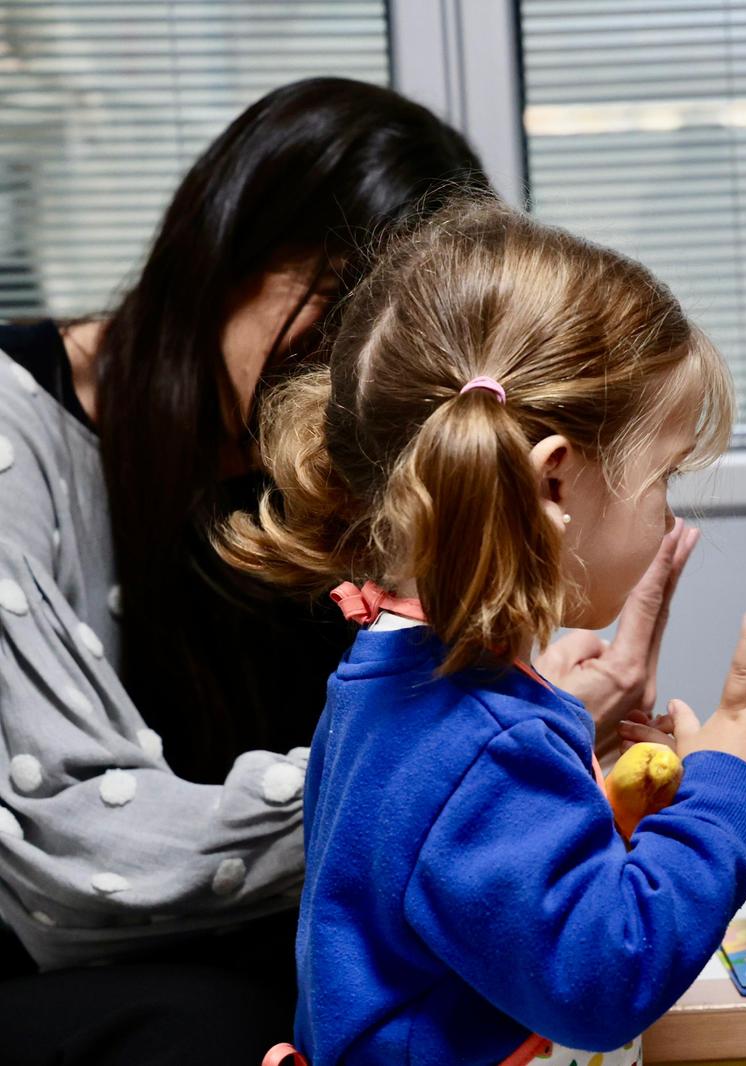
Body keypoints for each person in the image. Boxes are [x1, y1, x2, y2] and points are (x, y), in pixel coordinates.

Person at [0, 78, 692, 1063]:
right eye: (341, 326)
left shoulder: (321, 484)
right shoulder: (14, 429)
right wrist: (446, 775)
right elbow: (78, 860)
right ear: (234, 250)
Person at [213, 198, 746, 1064]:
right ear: (555, 482)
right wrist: (733, 789)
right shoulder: (487, 737)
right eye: (665, 475)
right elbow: (603, 980)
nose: (671, 511)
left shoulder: (391, 673)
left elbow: (484, 907)